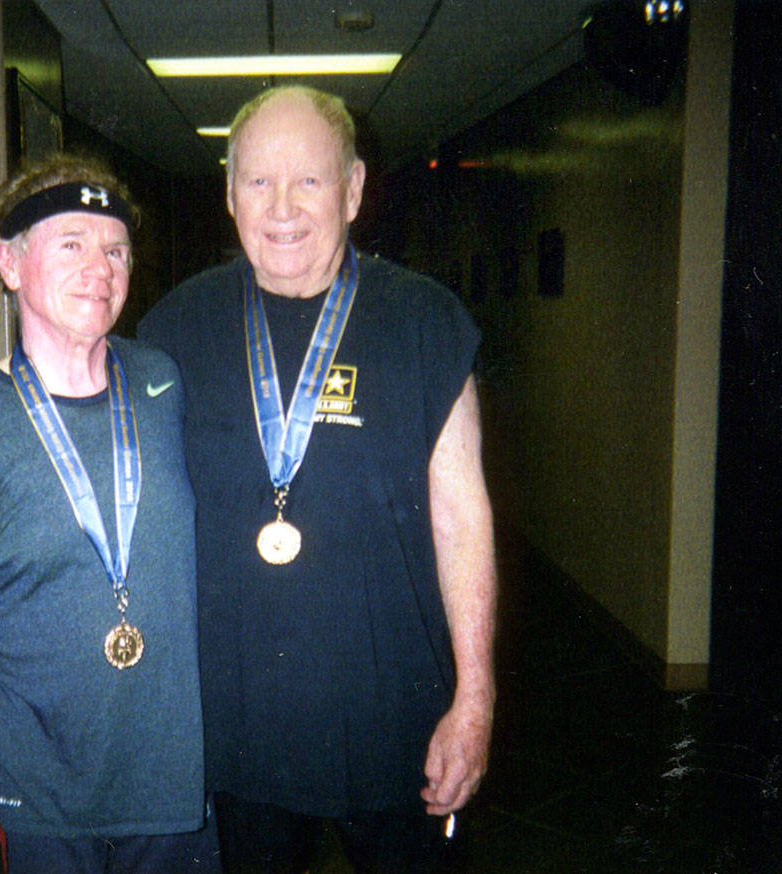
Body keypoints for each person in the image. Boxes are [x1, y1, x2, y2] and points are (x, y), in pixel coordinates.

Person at [138, 85, 497, 873]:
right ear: (230, 195)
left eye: (310, 179)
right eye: (259, 181)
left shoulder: (427, 324)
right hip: (235, 736)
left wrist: (474, 697)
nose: (283, 207)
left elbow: (461, 517)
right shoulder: (171, 332)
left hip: (398, 724)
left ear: (355, 189)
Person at [0, 153, 217, 874]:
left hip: (172, 793)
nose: (99, 268)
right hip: (33, 803)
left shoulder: (164, 384)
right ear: (9, 262)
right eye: (71, 243)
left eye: (116, 249)